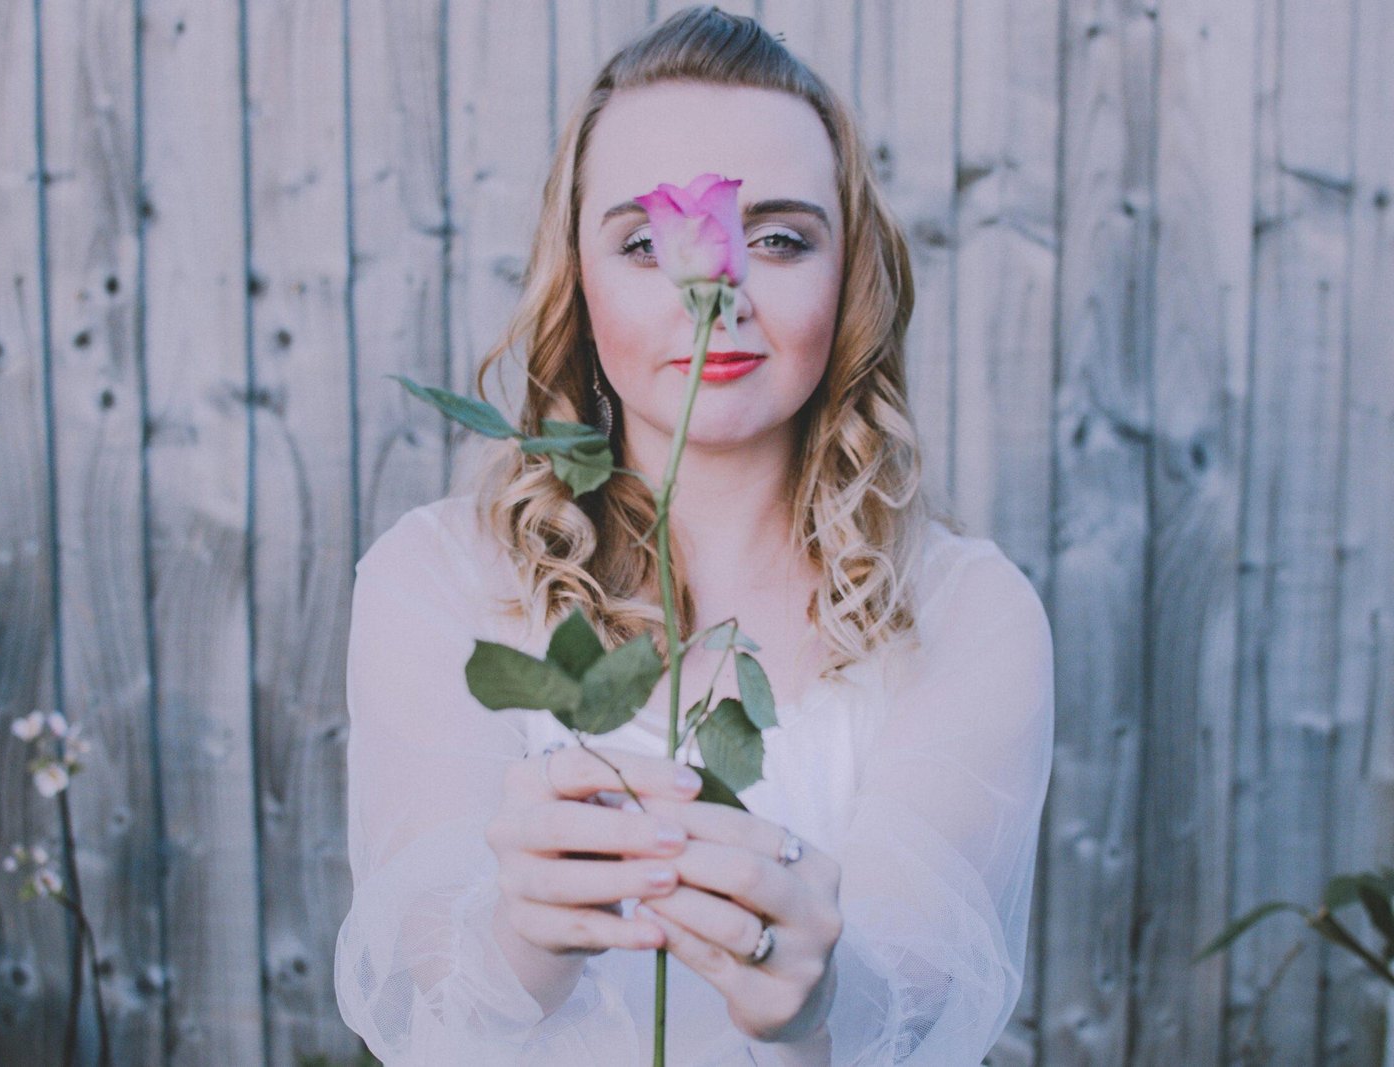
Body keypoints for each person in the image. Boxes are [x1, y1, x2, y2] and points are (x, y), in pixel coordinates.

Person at [334, 7, 1053, 1064]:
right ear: (577, 278)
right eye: (643, 242)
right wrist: (519, 932)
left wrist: (812, 997)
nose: (714, 294)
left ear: (846, 275)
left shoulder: (965, 615)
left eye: (777, 238)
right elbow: (426, 1006)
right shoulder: (435, 579)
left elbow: (913, 1011)